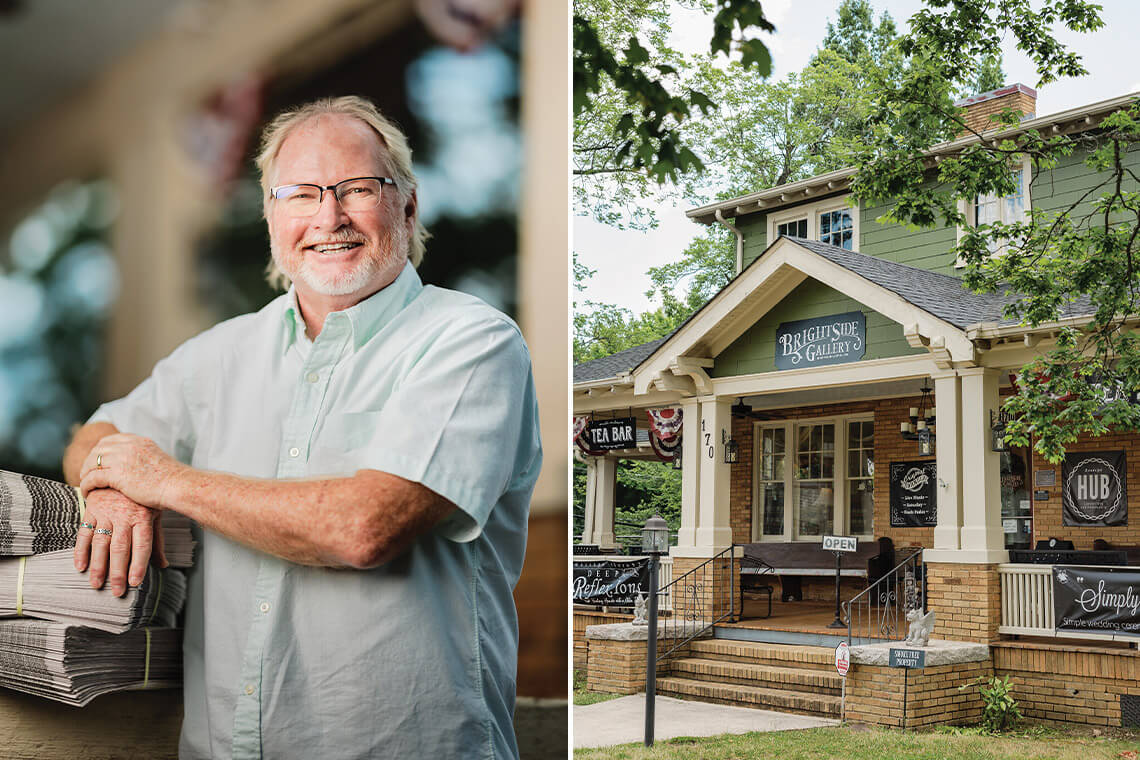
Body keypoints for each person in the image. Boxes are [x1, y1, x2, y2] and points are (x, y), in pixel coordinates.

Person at [62, 95, 541, 760]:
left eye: (356, 189)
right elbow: (95, 436)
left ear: (406, 204)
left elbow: (363, 527)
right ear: (270, 215)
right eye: (300, 194)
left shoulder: (470, 340)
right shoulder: (219, 354)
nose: (328, 217)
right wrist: (111, 489)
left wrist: (163, 480)